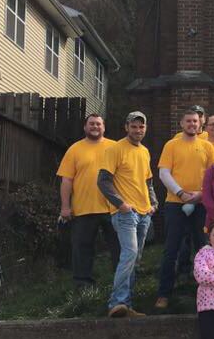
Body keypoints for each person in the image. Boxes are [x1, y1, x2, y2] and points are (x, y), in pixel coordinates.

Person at [97, 111, 159, 318]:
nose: (138, 130)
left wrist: (153, 203)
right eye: (133, 126)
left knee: (135, 258)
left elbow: (148, 181)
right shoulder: (115, 149)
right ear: (126, 127)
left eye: (141, 127)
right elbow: (103, 181)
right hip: (125, 213)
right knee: (130, 253)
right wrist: (121, 204)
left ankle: (126, 306)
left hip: (144, 213)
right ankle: (117, 301)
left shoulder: (145, 151)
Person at [156, 108, 214, 309]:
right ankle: (164, 294)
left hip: (201, 204)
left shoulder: (208, 147)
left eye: (195, 121)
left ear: (200, 124)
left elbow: (213, 176)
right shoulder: (171, 145)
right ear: (181, 124)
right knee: (171, 249)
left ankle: (206, 292)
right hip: (175, 203)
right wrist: (181, 193)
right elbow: (164, 173)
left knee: (203, 248)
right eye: (188, 121)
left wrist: (201, 194)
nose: (192, 124)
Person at [57, 113, 119, 288]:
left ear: (104, 127)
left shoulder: (116, 147)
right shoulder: (75, 149)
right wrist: (65, 207)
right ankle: (83, 285)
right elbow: (66, 181)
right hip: (83, 208)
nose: (95, 127)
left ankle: (121, 283)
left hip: (113, 207)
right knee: (82, 248)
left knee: (119, 248)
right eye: (91, 124)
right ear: (85, 127)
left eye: (98, 124)